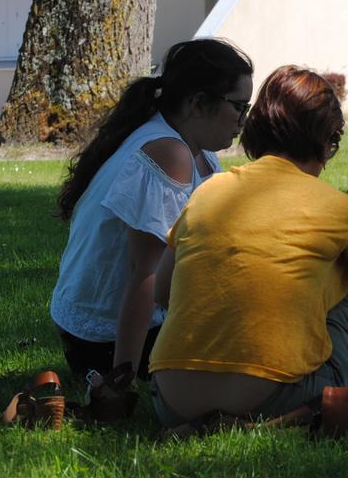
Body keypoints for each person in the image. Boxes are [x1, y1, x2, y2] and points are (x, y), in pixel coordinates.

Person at [148, 65, 348, 430]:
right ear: (327, 141)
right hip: (273, 399)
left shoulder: (207, 192)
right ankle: (307, 401)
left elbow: (162, 291)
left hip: (171, 401)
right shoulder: (341, 210)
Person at [49, 38, 254, 379]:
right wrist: (122, 378)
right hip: (107, 341)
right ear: (198, 104)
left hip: (127, 325)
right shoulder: (168, 154)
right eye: (238, 107)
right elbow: (145, 276)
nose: (242, 120)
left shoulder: (194, 148)